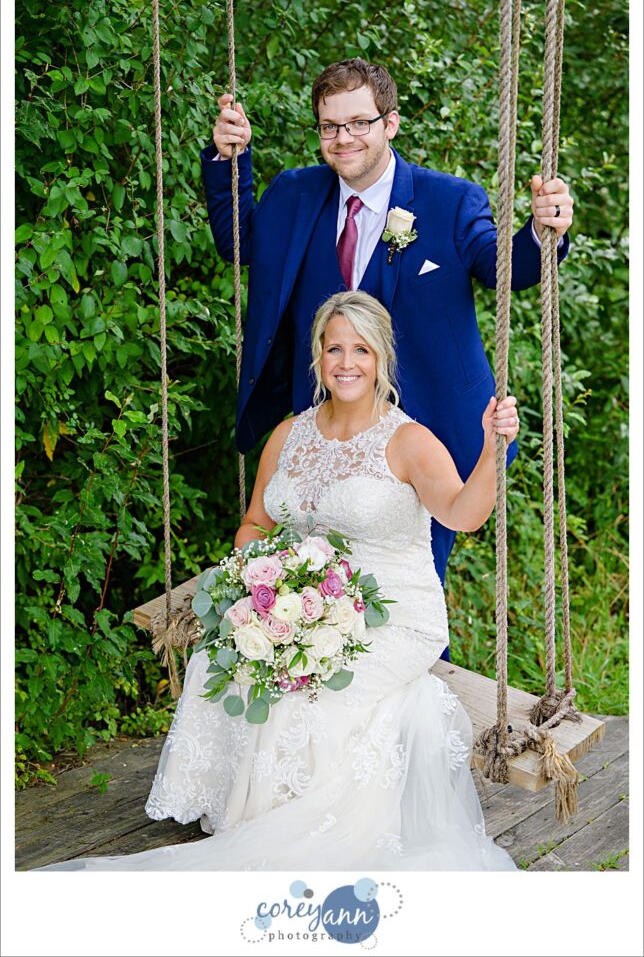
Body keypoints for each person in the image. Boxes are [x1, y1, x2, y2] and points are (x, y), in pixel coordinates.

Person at [37, 291, 520, 871]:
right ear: (317, 357)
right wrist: (265, 585)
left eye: (361, 350)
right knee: (225, 666)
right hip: (296, 605)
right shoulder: (289, 436)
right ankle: (245, 816)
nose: (347, 362)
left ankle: (292, 832)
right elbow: (255, 524)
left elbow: (464, 515)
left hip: (393, 613)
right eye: (334, 347)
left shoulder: (409, 442)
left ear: (381, 358)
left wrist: (494, 450)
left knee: (309, 698)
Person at [201, 57, 574, 613]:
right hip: (330, 429)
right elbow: (240, 243)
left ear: (390, 124)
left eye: (359, 123)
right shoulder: (295, 194)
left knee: (410, 588)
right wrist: (230, 161)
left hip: (435, 430)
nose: (344, 138)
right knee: (315, 590)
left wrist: (544, 231)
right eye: (330, 126)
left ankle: (417, 683)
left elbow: (507, 269)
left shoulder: (449, 201)